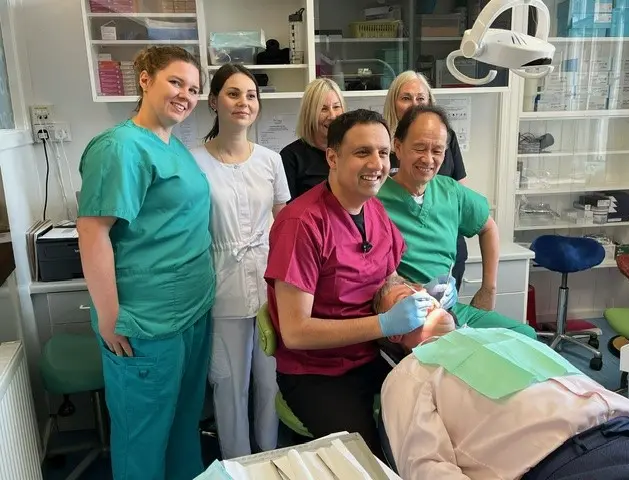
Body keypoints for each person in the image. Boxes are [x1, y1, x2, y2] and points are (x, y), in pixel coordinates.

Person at [264, 109, 434, 459]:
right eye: (362, 152)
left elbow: (388, 276)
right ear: (332, 156)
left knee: (435, 418)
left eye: (384, 153)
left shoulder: (374, 210)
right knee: (369, 460)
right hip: (317, 373)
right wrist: (384, 323)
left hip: (368, 356)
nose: (377, 163)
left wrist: (421, 292)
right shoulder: (301, 224)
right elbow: (295, 332)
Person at [77, 46, 214, 480]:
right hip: (147, 322)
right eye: (176, 82)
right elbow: (93, 232)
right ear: (145, 80)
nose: (185, 95)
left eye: (193, 89)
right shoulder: (120, 147)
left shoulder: (174, 146)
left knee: (180, 426)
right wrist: (111, 316)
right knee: (143, 436)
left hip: (191, 312)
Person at [377, 280, 629, 479]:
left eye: (419, 290)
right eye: (405, 298)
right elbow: (427, 467)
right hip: (570, 460)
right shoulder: (410, 373)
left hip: (626, 424)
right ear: (393, 333)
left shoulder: (500, 334)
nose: (421, 295)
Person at [191, 64, 290, 459]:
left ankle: (268, 453)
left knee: (271, 380)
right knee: (230, 383)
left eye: (251, 95)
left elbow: (284, 226)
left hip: (269, 284)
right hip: (219, 284)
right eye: (233, 93)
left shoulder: (271, 160)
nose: (243, 102)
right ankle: (237, 461)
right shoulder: (193, 161)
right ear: (214, 102)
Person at [377, 104, 536, 339]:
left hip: (451, 309)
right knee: (458, 359)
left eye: (437, 150)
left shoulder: (450, 191)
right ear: (398, 148)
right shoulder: (375, 200)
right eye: (419, 148)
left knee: (524, 336)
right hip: (408, 317)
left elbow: (488, 226)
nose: (428, 159)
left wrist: (488, 289)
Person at [383, 71, 469, 291]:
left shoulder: (445, 136)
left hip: (446, 244)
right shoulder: (382, 143)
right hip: (404, 257)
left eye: (421, 98)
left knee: (448, 312)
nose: (414, 104)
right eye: (406, 98)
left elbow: (459, 190)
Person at [280, 78, 346, 200]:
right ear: (309, 114)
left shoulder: (350, 151)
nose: (332, 116)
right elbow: (287, 211)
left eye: (336, 107)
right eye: (323, 109)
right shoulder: (290, 157)